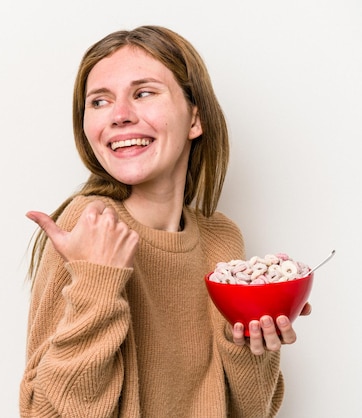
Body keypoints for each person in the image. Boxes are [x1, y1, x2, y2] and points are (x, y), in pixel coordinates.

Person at [19, 25, 312, 417]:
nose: (120, 115)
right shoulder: (90, 226)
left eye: (143, 93)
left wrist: (248, 344)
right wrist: (96, 283)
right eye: (99, 101)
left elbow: (252, 410)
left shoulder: (220, 240)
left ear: (195, 118)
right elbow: (44, 412)